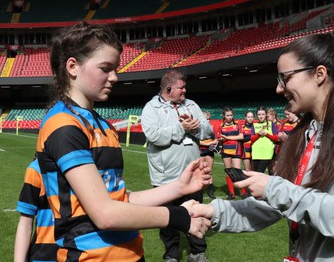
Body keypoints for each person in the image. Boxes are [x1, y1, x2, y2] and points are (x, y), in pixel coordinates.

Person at [187, 29, 334, 262]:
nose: (278, 89)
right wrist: (213, 211)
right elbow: (275, 205)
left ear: (319, 74)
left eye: (286, 77)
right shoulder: (304, 134)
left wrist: (274, 188)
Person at [35, 22, 211, 262]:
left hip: (128, 253)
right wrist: (179, 216)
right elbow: (105, 214)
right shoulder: (64, 125)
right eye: (105, 68)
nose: (115, 77)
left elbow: (118, 198)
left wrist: (179, 188)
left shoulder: (103, 126)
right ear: (73, 67)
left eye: (115, 68)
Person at [141, 69, 213, 262]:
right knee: (168, 218)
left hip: (193, 176)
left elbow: (209, 131)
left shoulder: (191, 105)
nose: (184, 92)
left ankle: (198, 252)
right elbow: (154, 136)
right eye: (181, 88)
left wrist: (196, 127)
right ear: (168, 88)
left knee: (196, 212)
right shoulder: (151, 108)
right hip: (165, 177)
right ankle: (171, 254)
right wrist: (181, 128)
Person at [14, 159, 58, 262]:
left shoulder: (89, 166)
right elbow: (25, 224)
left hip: (80, 254)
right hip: (43, 256)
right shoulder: (37, 169)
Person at [218, 106, 244, 200]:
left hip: (236, 150)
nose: (230, 117)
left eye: (231, 115)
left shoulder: (238, 124)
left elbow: (241, 137)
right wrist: (220, 139)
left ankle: (243, 193)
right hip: (226, 151)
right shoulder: (221, 126)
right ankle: (231, 193)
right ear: (224, 116)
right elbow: (220, 139)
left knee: (238, 172)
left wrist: (228, 138)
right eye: (228, 115)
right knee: (228, 172)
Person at [250, 106, 279, 173]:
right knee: (256, 173)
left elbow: (276, 138)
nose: (261, 116)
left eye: (263, 114)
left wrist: (266, 134)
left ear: (266, 115)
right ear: (257, 115)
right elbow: (252, 139)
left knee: (259, 173)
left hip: (267, 152)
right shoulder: (254, 125)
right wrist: (259, 134)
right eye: (259, 114)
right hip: (256, 152)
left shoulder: (272, 125)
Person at [199, 111, 217, 199]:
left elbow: (216, 139)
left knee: (209, 171)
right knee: (200, 171)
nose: (209, 121)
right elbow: (197, 141)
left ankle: (211, 191)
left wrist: (214, 142)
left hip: (209, 151)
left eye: (210, 119)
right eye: (207, 119)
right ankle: (199, 190)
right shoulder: (198, 128)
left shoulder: (211, 128)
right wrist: (206, 144)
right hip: (200, 151)